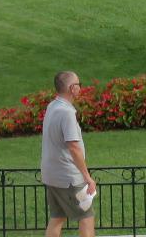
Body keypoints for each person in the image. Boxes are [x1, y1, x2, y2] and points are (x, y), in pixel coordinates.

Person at [41, 71, 97, 237]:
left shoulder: (52, 106)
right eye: (79, 84)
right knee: (86, 217)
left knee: (57, 217)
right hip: (68, 178)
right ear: (73, 88)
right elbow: (73, 147)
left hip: (51, 175)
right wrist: (87, 177)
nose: (80, 88)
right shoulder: (66, 113)